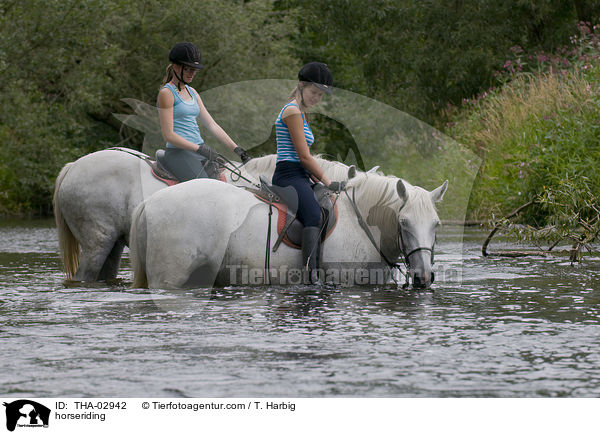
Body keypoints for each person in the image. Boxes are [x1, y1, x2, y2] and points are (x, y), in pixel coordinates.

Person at [272, 62, 345, 283]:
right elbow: (304, 157)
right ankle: (309, 276)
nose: (317, 98)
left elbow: (303, 160)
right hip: (288, 176)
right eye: (314, 92)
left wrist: (318, 180)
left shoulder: (302, 113)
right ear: (301, 86)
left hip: (300, 174)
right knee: (313, 214)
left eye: (321, 95)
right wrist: (327, 180)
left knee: (326, 204)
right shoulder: (292, 111)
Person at [157, 42, 250, 181]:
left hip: (198, 151)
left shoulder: (192, 92)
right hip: (179, 153)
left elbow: (212, 125)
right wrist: (199, 149)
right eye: (188, 69)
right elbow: (168, 135)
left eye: (194, 70)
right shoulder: (166, 93)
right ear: (175, 66)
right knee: (205, 189)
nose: (192, 73)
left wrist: (238, 150)